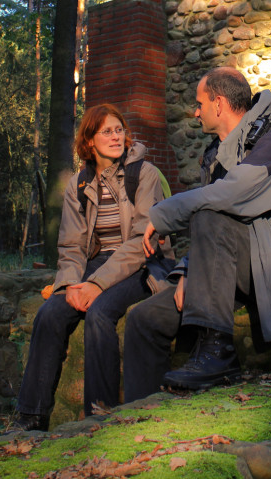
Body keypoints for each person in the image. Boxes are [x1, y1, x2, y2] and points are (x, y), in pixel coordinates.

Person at [122, 67, 271, 399]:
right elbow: (214, 234)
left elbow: (227, 198)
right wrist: (188, 269)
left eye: (199, 104)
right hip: (235, 265)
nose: (195, 112)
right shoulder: (216, 155)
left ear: (219, 103)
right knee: (144, 319)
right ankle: (143, 414)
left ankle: (218, 351)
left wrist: (165, 213)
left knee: (208, 212)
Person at [15, 104, 169, 430]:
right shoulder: (79, 184)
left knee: (100, 311)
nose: (116, 136)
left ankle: (100, 412)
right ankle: (31, 416)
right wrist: (71, 283)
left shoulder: (145, 175)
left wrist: (96, 285)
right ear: (89, 141)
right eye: (106, 131)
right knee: (50, 314)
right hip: (95, 264)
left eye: (119, 130)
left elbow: (144, 240)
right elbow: (71, 245)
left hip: (141, 263)